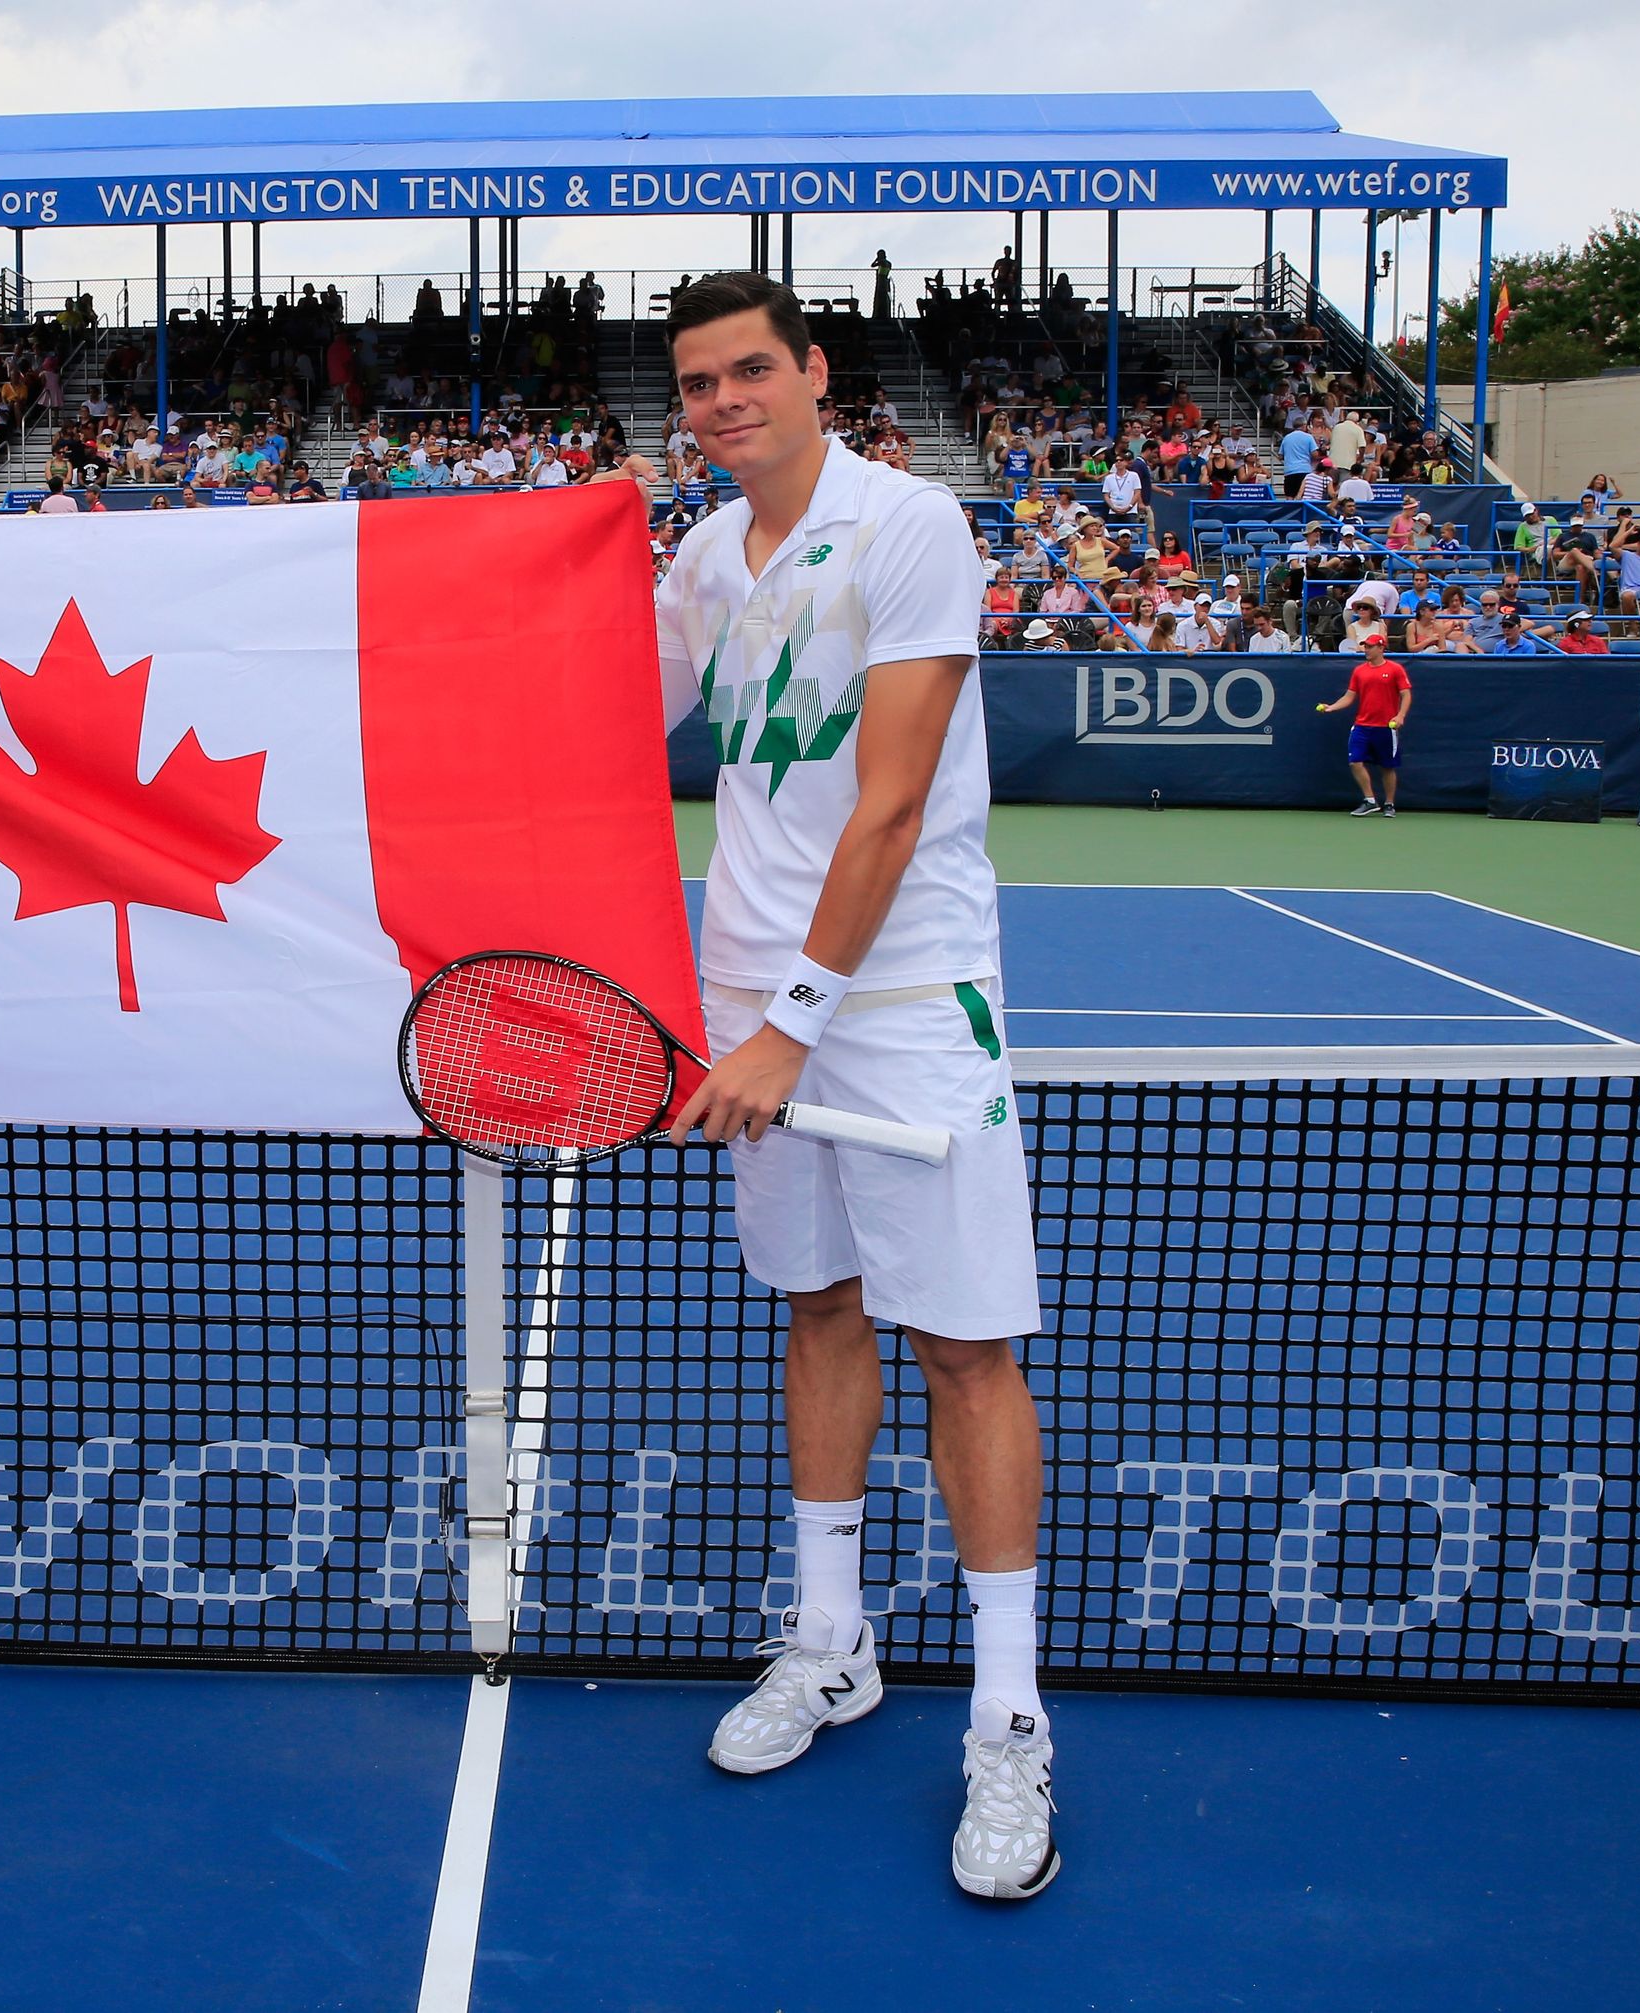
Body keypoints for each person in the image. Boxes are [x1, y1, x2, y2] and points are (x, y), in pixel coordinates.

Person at [651, 273, 1052, 1902]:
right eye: (694, 382)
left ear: (815, 373)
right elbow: (608, 726)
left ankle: (1011, 1724)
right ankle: (831, 1641)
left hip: (886, 999)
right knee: (816, 1308)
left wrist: (788, 1023)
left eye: (752, 368)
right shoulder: (699, 558)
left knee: (966, 1347)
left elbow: (887, 808)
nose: (724, 398)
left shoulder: (907, 528)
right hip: (751, 997)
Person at [1316, 630, 1411, 817]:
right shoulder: (1359, 671)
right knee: (1355, 762)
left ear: (1381, 647)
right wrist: (1332, 707)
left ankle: (1389, 804)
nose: (1366, 649)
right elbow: (1349, 696)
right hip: (1362, 726)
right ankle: (1369, 800)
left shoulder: (1395, 669)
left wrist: (1400, 716)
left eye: (1370, 646)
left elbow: (1406, 694)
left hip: (1386, 726)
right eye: (1365, 646)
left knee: (1387, 767)